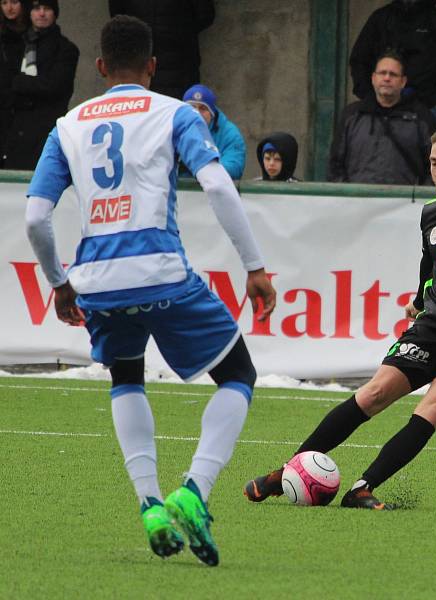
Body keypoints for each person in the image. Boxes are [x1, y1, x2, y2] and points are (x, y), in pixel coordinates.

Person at [24, 15, 276, 565]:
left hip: (96, 283)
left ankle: (150, 504)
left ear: (99, 67)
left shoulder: (67, 125)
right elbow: (216, 183)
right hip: (161, 272)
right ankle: (195, 491)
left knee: (126, 376)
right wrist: (254, 266)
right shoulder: (174, 112)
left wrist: (60, 284)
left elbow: (36, 218)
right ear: (153, 66)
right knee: (238, 375)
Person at [245, 124, 436, 509]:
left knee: (433, 404)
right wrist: (417, 300)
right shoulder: (431, 214)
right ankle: (286, 472)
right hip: (433, 326)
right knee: (372, 394)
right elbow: (432, 268)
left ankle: (362, 488)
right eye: (433, 163)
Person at [329, 51, 436, 185]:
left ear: (403, 82)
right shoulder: (352, 115)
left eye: (393, 74)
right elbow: (335, 165)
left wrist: (417, 200)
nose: (387, 78)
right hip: (356, 202)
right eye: (382, 73)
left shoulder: (422, 118)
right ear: (373, 78)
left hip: (406, 203)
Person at [349, 0, 436, 119]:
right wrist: (370, 96)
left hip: (424, 106)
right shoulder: (381, 18)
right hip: (382, 107)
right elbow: (359, 60)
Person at [3, 0, 77, 170]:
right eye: (37, 8)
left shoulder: (66, 48)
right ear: (29, 12)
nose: (42, 13)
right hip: (14, 132)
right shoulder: (16, 45)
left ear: (55, 13)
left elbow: (55, 87)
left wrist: (19, 82)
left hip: (46, 130)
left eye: (47, 9)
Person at [109, 0, 215, 99]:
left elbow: (117, 17)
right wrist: (181, 30)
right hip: (180, 61)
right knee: (180, 113)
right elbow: (205, 15)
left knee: (140, 111)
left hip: (139, 62)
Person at [182, 84, 246, 181]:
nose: (197, 113)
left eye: (203, 109)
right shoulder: (174, 128)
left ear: (212, 113)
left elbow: (234, 167)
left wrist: (200, 165)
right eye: (192, 107)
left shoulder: (230, 133)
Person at [0, 0, 30, 167]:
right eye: (4, 3)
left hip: (26, 109)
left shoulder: (33, 36)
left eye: (14, 2)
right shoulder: (3, 36)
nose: (9, 8)